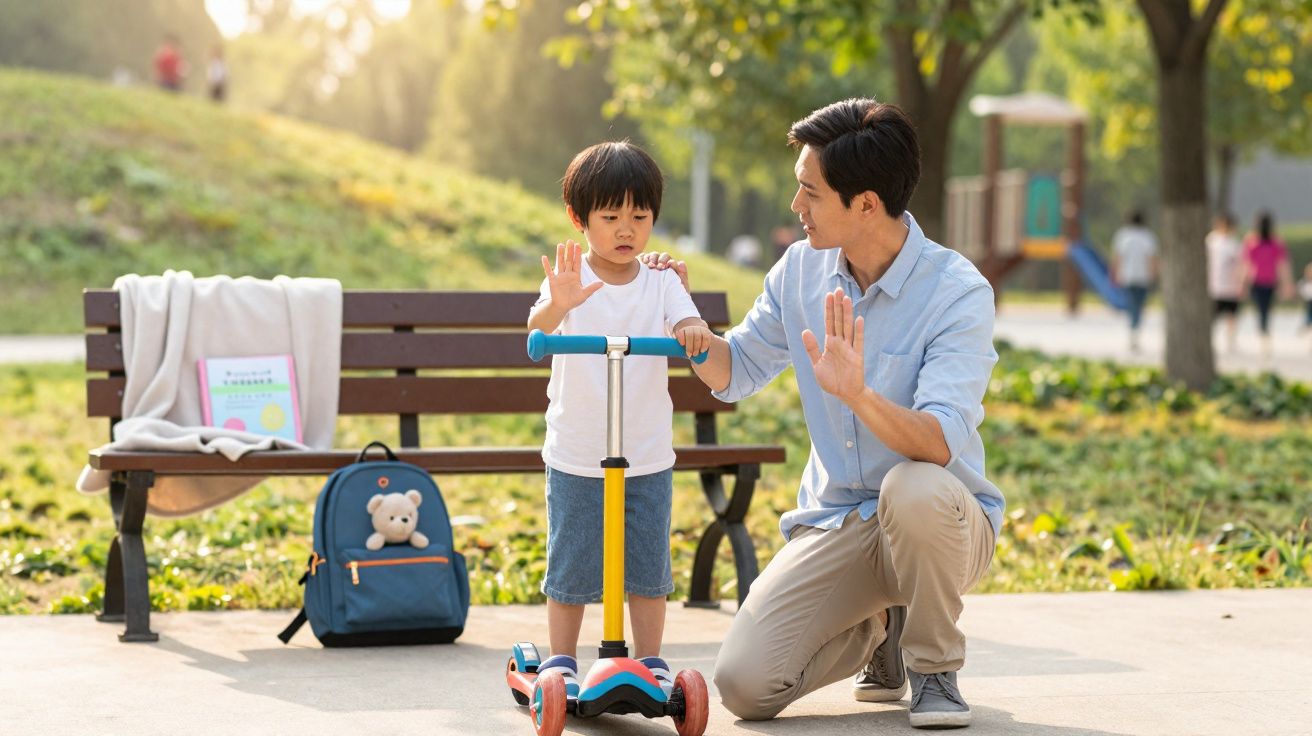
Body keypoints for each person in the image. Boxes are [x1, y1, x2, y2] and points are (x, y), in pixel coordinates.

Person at [646, 98, 1002, 729]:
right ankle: (879, 629)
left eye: (810, 192)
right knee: (744, 687)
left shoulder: (957, 292)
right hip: (838, 521)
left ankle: (934, 669)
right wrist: (685, 321)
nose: (796, 206)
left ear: (865, 204)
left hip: (941, 526)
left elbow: (940, 442)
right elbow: (736, 372)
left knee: (912, 486)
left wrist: (859, 395)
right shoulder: (800, 270)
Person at [525, 141, 715, 701]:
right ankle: (562, 661)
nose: (626, 229)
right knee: (572, 559)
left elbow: (686, 320)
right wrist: (559, 305)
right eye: (610, 217)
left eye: (640, 216)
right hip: (578, 450)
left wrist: (692, 330)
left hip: (647, 452)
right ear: (579, 218)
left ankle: (651, 659)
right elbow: (538, 329)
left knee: (648, 565)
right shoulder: (569, 277)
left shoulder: (661, 280)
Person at [1243, 211, 1294, 358]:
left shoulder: (1252, 242)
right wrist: (1287, 284)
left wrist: (1243, 284)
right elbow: (1283, 266)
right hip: (1268, 281)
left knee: (1262, 310)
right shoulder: (1275, 242)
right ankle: (1265, 338)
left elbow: (1246, 265)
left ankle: (1264, 338)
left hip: (1259, 281)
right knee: (1265, 310)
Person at [1110, 210, 1159, 352]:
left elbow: (1118, 257)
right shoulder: (1148, 236)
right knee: (1139, 305)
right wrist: (1154, 274)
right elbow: (1152, 258)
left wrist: (1114, 273)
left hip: (1127, 276)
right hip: (1143, 277)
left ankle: (1133, 331)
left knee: (1132, 305)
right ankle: (1135, 331)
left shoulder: (1122, 236)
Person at [1205, 212, 1244, 353]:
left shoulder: (1234, 244)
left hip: (1231, 286)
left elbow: (1240, 265)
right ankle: (1209, 341)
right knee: (1213, 316)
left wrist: (1241, 283)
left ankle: (1230, 342)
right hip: (1215, 286)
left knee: (1231, 316)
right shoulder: (1211, 241)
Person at [1298, 263, 1312, 343]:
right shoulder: (1304, 283)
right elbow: (1303, 292)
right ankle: (1307, 326)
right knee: (1308, 314)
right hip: (1309, 303)